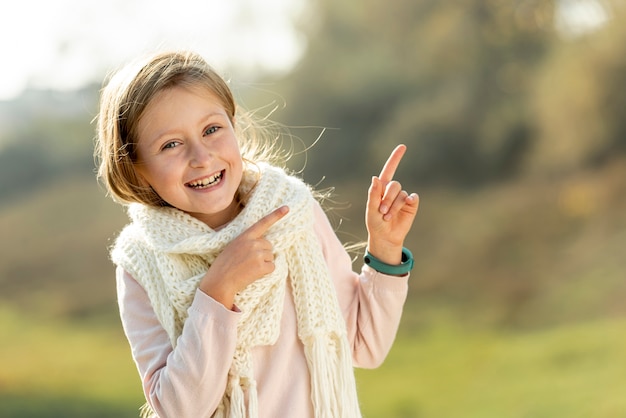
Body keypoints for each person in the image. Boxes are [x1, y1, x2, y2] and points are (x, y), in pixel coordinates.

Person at [95, 50, 419, 418]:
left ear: (234, 126)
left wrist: (386, 248)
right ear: (135, 167)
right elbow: (178, 409)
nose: (201, 156)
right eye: (171, 144)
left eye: (212, 130)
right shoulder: (141, 261)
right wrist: (216, 291)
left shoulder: (294, 213)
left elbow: (365, 345)